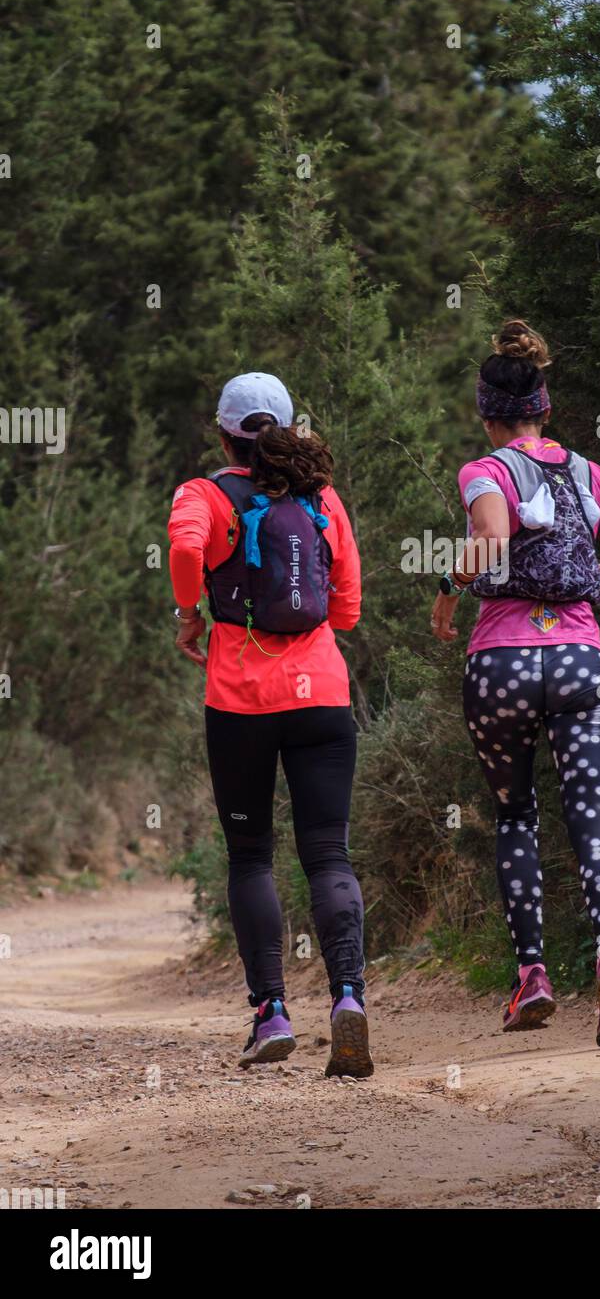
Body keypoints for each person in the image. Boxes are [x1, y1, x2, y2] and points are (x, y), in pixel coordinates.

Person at [431, 321, 600, 1047]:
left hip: (502, 662)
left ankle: (532, 978)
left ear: (486, 412)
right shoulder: (592, 474)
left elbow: (491, 538)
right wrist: (582, 575)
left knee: (517, 816)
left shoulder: (484, 470)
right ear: (546, 409)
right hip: (582, 662)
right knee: (591, 819)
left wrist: (446, 584)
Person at [168, 371, 372, 1077]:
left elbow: (186, 551)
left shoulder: (205, 495)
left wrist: (189, 615)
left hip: (239, 702)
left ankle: (273, 1013)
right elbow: (345, 609)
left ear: (222, 432)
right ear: (288, 426)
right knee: (328, 854)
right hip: (322, 697)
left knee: (251, 856)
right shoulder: (323, 497)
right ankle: (349, 998)